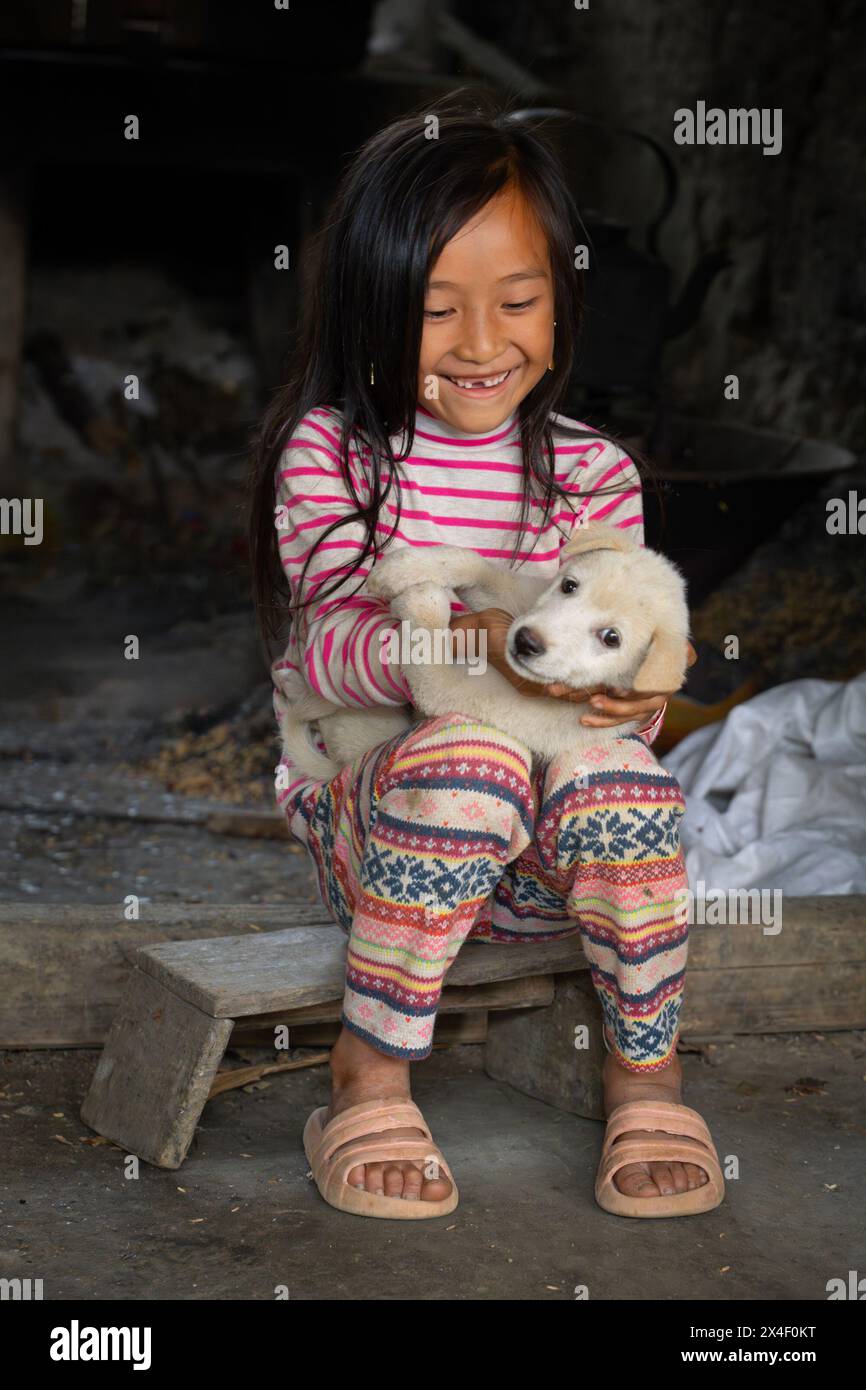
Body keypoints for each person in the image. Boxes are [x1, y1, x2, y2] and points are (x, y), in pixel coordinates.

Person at [248, 95, 724, 1219]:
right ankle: (367, 1068)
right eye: (432, 310)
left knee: (628, 782)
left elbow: (621, 656)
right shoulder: (338, 457)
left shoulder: (594, 473)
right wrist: (480, 661)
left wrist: (626, 690)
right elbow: (331, 650)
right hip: (380, 839)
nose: (478, 344)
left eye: (516, 301)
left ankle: (645, 1072)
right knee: (468, 757)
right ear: (367, 309)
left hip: (536, 882)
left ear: (560, 302)